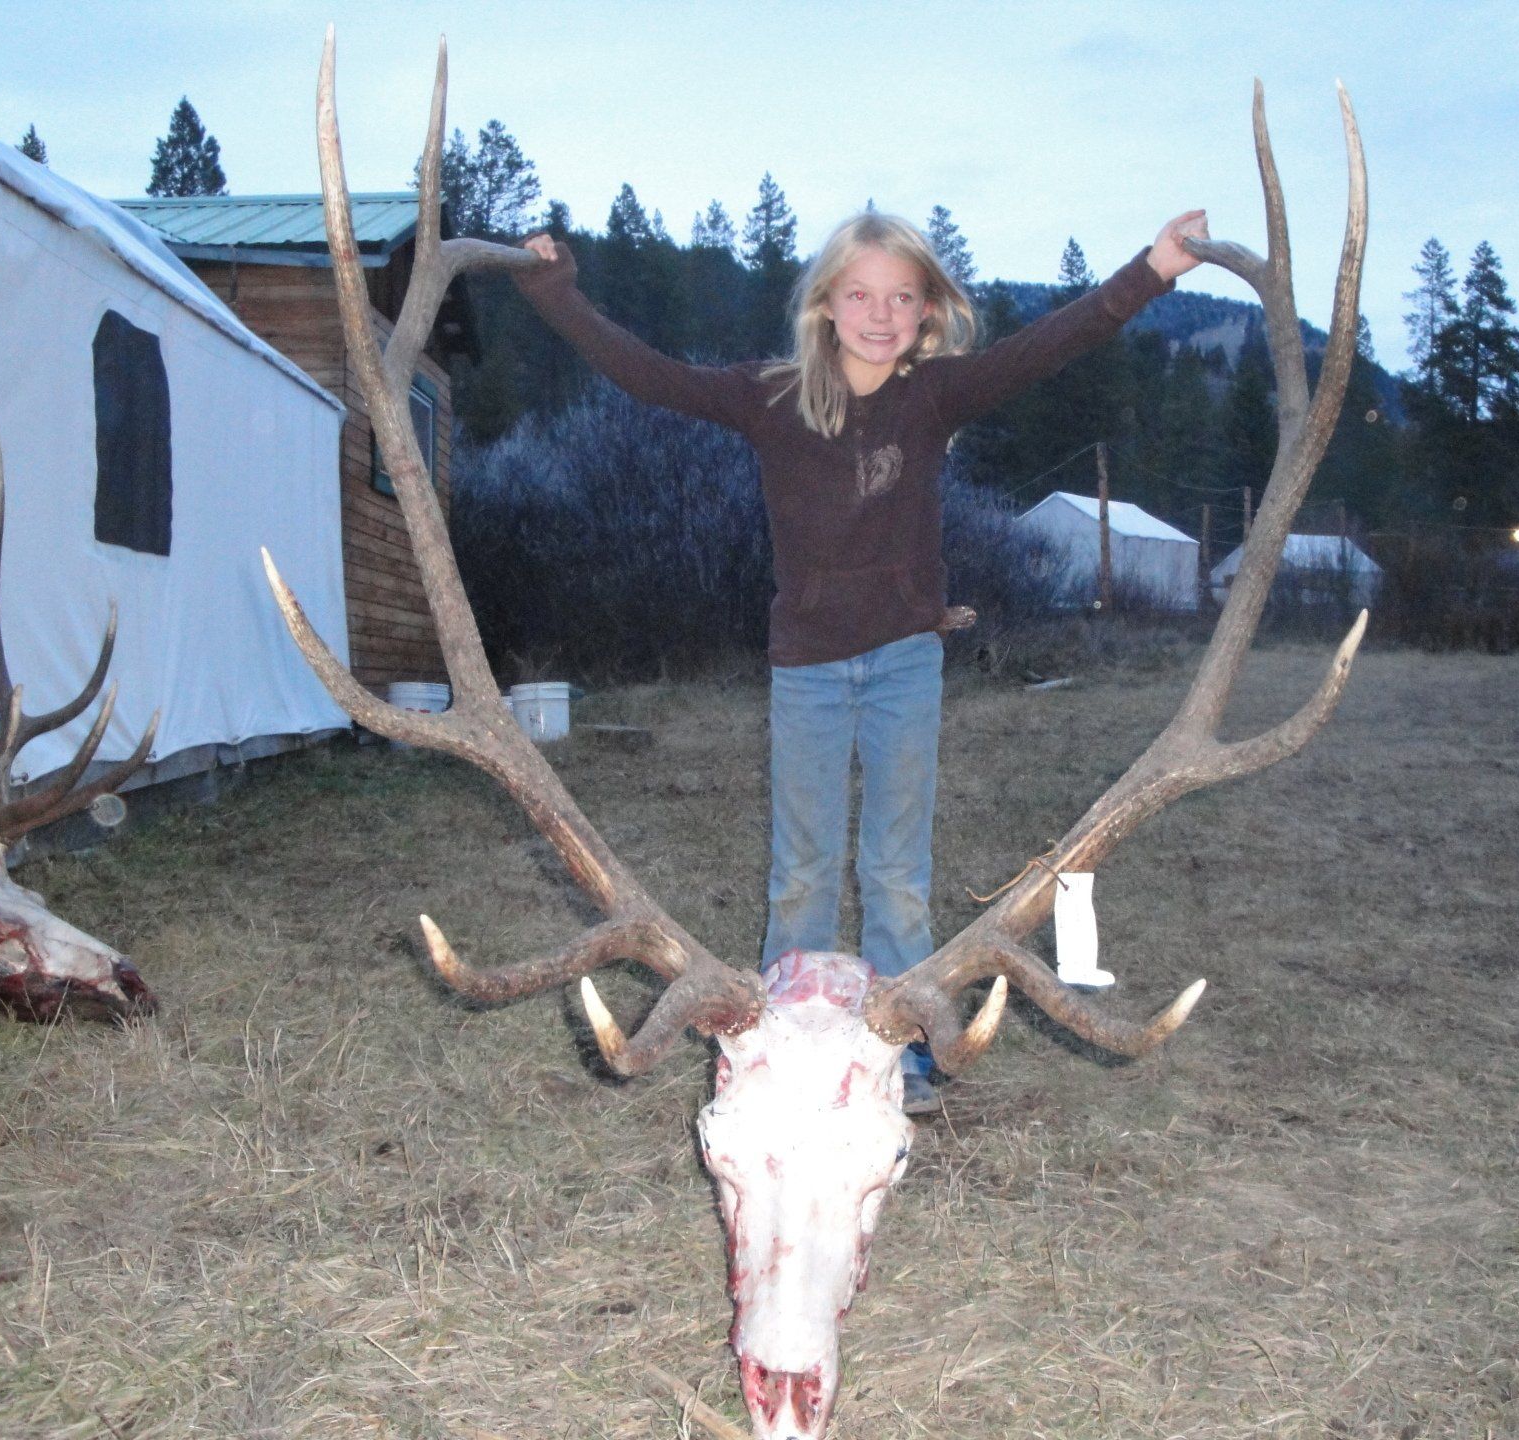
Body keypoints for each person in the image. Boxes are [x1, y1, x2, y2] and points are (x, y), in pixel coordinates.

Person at [511, 207, 1207, 1112]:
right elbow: (647, 375)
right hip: (805, 668)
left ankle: (902, 1053)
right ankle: (780, 1052)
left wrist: (1151, 269)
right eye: (861, 295)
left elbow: (1051, 343)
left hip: (905, 663)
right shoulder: (768, 396)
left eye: (903, 298)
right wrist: (554, 294)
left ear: (926, 311)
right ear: (827, 304)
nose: (881, 315)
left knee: (894, 872)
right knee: (799, 869)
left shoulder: (935, 396)